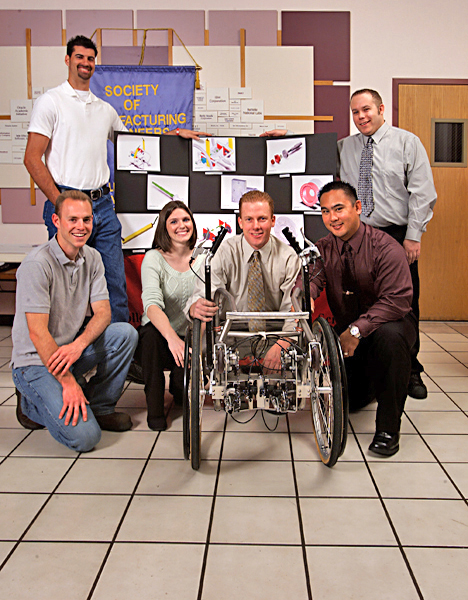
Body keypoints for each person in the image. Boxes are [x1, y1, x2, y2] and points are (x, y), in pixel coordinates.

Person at [24, 34, 209, 324]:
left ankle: (120, 356)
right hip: (67, 202)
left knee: (114, 283)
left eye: (90, 58)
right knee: (63, 285)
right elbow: (32, 159)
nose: (85, 63)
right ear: (68, 59)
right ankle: (60, 353)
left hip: (102, 205)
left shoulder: (105, 109)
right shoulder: (51, 102)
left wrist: (175, 134)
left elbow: (133, 145)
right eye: (79, 57)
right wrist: (60, 204)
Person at [11, 191, 138, 452]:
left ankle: (101, 407)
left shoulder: (92, 258)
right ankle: (30, 403)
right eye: (73, 219)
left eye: (86, 219)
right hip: (35, 361)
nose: (81, 227)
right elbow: (37, 333)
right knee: (85, 437)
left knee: (125, 333)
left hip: (68, 352)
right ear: (56, 221)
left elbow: (103, 312)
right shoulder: (37, 264)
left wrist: (78, 345)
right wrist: (68, 383)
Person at [303, 181, 417, 456]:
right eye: (326, 211)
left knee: (389, 339)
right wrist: (301, 295)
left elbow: (397, 300)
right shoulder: (323, 247)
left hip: (389, 326)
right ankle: (377, 385)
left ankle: (388, 429)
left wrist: (356, 331)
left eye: (339, 208)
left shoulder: (386, 247)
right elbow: (310, 280)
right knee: (351, 403)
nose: (333, 218)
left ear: (357, 207)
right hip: (346, 334)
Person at [338, 88, 437, 399]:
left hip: (396, 235)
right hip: (357, 236)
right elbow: (307, 154)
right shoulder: (344, 147)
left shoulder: (407, 142)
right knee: (360, 302)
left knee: (404, 306)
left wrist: (413, 236)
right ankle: (367, 366)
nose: (361, 117)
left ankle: (410, 371)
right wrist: (278, 137)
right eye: (355, 112)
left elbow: (422, 192)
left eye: (366, 109)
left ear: (382, 109)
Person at [186, 190, 301, 372]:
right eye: (249, 219)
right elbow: (203, 297)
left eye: (262, 219)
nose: (256, 226)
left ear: (273, 221)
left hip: (275, 335)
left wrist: (282, 344)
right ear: (240, 222)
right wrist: (195, 307)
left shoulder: (289, 257)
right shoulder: (224, 252)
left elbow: (294, 310)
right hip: (230, 335)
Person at [135, 201, 204, 431]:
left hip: (190, 335)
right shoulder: (153, 258)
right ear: (164, 227)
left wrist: (190, 343)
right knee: (152, 338)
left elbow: (208, 305)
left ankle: (177, 388)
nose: (181, 225)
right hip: (159, 334)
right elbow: (152, 305)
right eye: (173, 221)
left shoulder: (204, 258)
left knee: (183, 395)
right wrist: (172, 339)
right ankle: (155, 412)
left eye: (186, 220)